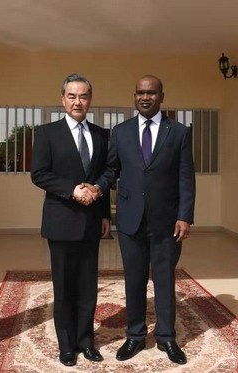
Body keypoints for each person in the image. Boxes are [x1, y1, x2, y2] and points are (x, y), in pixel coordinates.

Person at [88, 75, 195, 365]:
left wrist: (185, 215)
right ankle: (135, 336)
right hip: (131, 220)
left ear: (161, 96)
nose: (145, 97)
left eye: (151, 92)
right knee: (133, 281)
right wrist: (97, 187)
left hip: (166, 222)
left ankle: (166, 337)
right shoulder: (120, 132)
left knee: (164, 281)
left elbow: (186, 177)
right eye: (140, 92)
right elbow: (112, 170)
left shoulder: (179, 133)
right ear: (134, 96)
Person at [31, 73, 110, 366]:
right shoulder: (47, 133)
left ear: (90, 99)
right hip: (61, 221)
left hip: (92, 222)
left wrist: (104, 214)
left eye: (84, 96)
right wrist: (71, 190)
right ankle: (67, 345)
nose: (78, 102)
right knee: (64, 286)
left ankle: (86, 342)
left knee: (88, 286)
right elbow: (38, 174)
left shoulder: (102, 135)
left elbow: (106, 175)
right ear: (62, 99)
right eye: (72, 96)